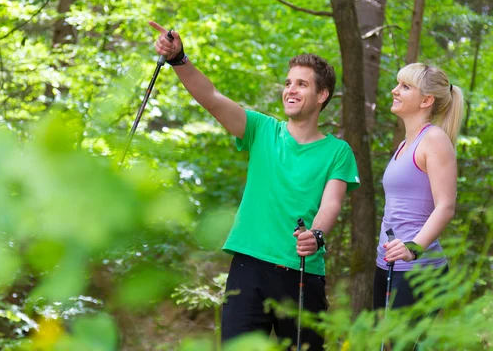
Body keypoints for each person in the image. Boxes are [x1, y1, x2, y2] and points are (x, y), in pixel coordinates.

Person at [149, 21, 360, 350]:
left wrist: (316, 235)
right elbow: (212, 98)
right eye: (288, 83)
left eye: (301, 84)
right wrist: (180, 59)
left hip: (303, 274)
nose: (290, 89)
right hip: (249, 270)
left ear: (322, 95)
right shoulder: (262, 130)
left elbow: (331, 203)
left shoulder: (338, 152)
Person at [374, 63, 464, 313]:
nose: (395, 90)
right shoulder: (405, 143)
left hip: (419, 271)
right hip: (387, 264)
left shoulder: (434, 139)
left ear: (426, 100)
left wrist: (413, 248)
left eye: (405, 87)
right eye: (397, 84)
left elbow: (445, 207)